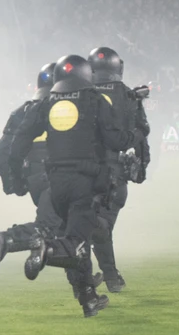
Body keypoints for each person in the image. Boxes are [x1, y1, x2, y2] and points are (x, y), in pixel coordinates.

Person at [8, 54, 140, 317]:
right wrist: (132, 136)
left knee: (72, 233)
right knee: (78, 236)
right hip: (85, 182)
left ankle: (87, 295)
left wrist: (14, 178)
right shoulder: (94, 102)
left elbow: (15, 145)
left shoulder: (44, 104)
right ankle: (30, 246)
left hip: (52, 181)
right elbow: (114, 140)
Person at [0, 63, 63, 273]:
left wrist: (12, 183)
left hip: (33, 177)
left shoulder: (23, 110)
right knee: (52, 227)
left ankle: (85, 287)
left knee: (62, 229)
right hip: (59, 174)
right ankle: (7, 240)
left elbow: (2, 150)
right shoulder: (68, 109)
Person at [89, 46, 151, 293]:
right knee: (102, 225)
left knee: (90, 224)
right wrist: (143, 165)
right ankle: (110, 277)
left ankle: (94, 275)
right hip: (113, 169)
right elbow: (141, 134)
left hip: (82, 167)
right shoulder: (128, 96)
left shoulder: (82, 93)